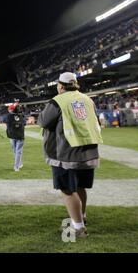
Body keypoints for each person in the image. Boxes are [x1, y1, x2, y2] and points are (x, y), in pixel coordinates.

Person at [38, 72, 103, 238]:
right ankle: (81, 217)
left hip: (66, 153)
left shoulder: (58, 101)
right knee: (80, 186)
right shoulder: (88, 99)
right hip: (88, 151)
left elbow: (44, 121)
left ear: (60, 85)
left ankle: (78, 227)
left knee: (67, 189)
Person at [6, 102, 25, 171]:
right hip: (19, 136)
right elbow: (24, 123)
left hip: (12, 136)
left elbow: (7, 125)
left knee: (16, 151)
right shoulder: (21, 116)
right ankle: (18, 165)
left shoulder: (8, 116)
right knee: (18, 152)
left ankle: (17, 165)